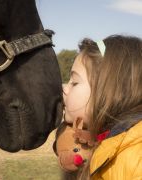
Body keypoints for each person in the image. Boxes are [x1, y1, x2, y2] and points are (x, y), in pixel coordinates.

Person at [55, 35, 142, 180]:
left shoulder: (135, 157)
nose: (64, 88)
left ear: (112, 91)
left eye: (74, 82)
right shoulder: (106, 143)